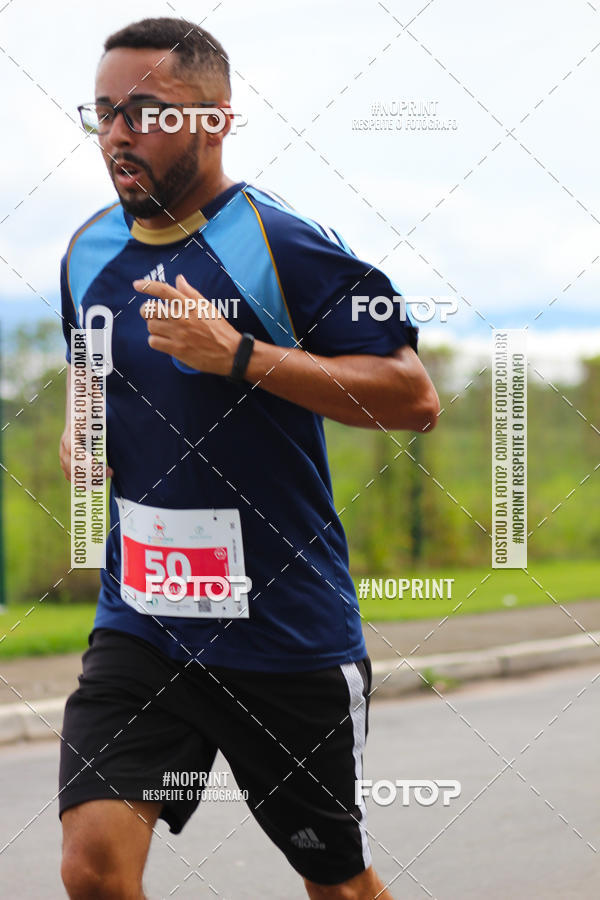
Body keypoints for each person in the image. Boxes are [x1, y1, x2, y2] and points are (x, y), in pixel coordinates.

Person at [58, 16, 439, 900]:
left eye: (146, 110)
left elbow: (411, 396)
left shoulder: (280, 244)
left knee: (336, 884)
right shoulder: (87, 250)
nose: (118, 132)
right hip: (144, 621)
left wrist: (240, 355)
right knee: (92, 868)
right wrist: (86, 422)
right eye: (104, 112)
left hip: (284, 634)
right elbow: (90, 361)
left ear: (217, 120)